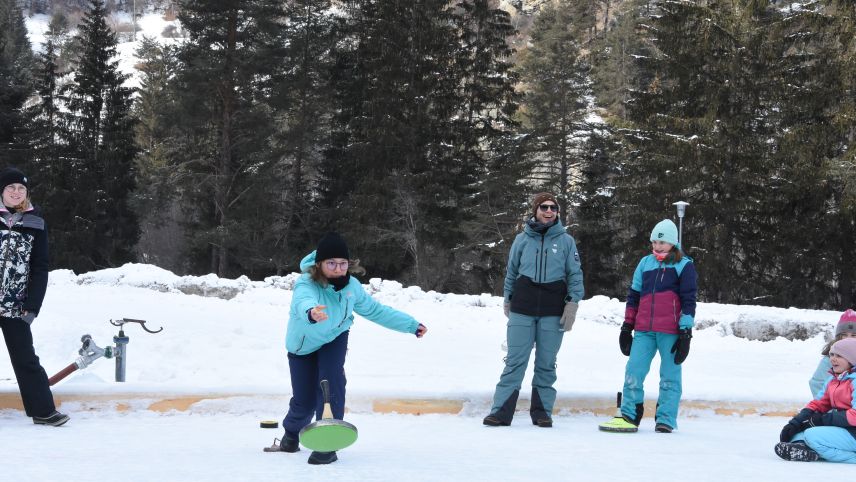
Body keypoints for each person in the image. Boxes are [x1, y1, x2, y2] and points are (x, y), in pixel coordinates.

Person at [266, 232, 427, 465]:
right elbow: (303, 300)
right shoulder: (306, 282)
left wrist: (410, 325)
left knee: (331, 382)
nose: (338, 268)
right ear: (319, 264)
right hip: (303, 345)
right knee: (305, 400)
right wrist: (311, 312)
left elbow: (376, 311)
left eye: (343, 263)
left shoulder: (352, 287)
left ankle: (328, 444)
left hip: (334, 337)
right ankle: (291, 434)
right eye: (331, 263)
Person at [483, 192, 584, 428]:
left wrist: (572, 303)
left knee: (546, 363)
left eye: (553, 208)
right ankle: (500, 412)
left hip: (552, 308)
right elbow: (512, 272)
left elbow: (575, 275)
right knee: (515, 361)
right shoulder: (522, 239)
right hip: (523, 306)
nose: (549, 211)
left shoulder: (567, 241)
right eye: (544, 207)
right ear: (535, 210)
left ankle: (542, 412)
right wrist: (508, 299)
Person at [598, 219, 697, 434]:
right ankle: (629, 415)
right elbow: (633, 296)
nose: (657, 247)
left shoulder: (684, 265)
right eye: (654, 242)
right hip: (644, 330)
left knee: (670, 375)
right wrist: (627, 326)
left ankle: (666, 419)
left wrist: (686, 331)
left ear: (673, 243)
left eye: (662, 242)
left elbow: (689, 300)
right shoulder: (645, 263)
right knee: (634, 370)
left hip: (671, 331)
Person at [0, 167, 68, 426]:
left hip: (17, 306)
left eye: (21, 189)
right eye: (11, 188)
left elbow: (40, 267)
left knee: (26, 359)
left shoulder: (36, 222)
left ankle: (43, 411)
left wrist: (33, 306)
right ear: (2, 191)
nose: (16, 193)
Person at [776, 337, 856, 463]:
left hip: (853, 431)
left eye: (839, 356)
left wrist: (822, 420)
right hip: (846, 429)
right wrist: (797, 421)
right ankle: (802, 447)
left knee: (812, 436)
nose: (833, 359)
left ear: (852, 359)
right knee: (799, 432)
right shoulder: (834, 380)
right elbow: (819, 403)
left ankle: (821, 452)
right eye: (832, 354)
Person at [809, 309, 856, 398]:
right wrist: (831, 407)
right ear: (838, 337)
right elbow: (817, 384)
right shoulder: (830, 360)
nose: (848, 338)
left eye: (854, 335)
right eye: (844, 335)